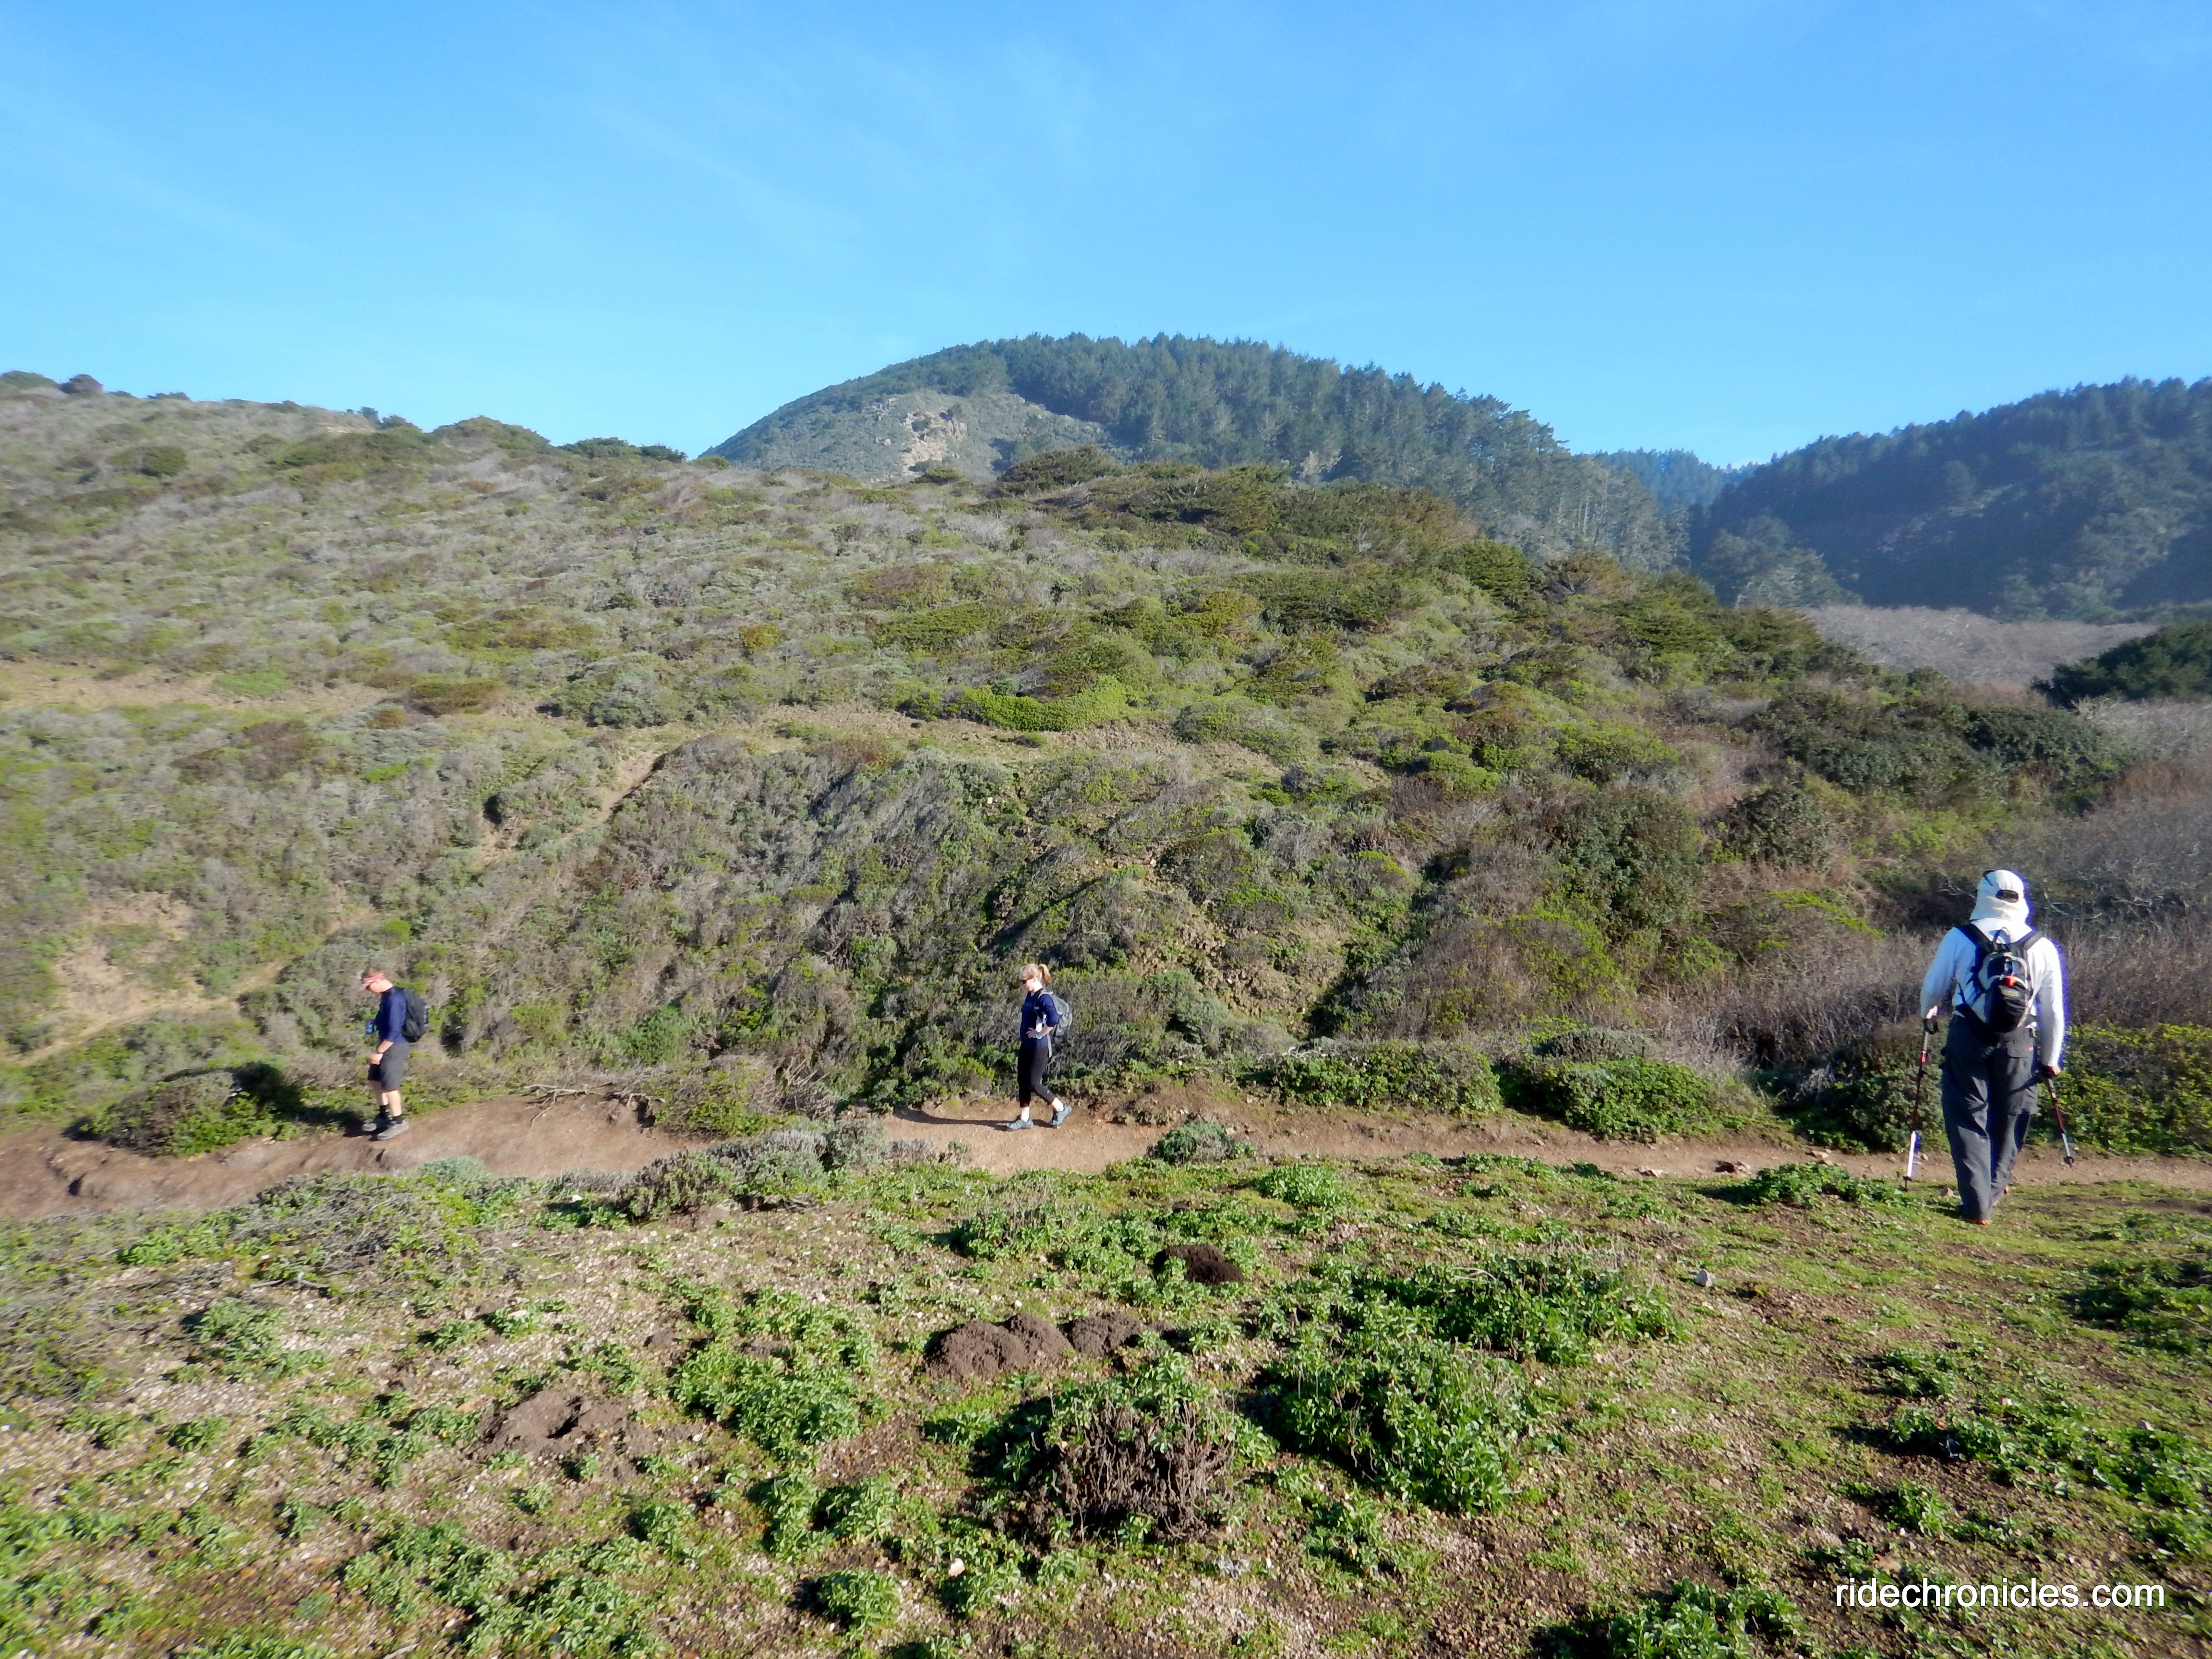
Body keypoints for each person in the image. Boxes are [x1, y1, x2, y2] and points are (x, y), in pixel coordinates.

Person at [1918, 869, 2066, 1225]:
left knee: (1967, 1116)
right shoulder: (2042, 945)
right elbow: (2053, 1010)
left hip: (1969, 1034)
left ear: (1983, 896)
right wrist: (2050, 1059)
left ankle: (1976, 1204)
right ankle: (1993, 1193)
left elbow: (1933, 987)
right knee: (2011, 1119)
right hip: (2020, 1042)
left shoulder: (1961, 936)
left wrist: (1928, 1012)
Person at [1006, 962, 1072, 1131]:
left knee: (1034, 1083)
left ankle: (1061, 1108)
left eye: (1024, 981)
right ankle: (1025, 1119)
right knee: (1023, 1081)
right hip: (1026, 1045)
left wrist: (1039, 1034)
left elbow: (1053, 1019)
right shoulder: (1030, 995)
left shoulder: (1044, 998)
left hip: (1039, 1047)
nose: (1022, 984)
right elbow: (1030, 1019)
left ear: (1035, 979)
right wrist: (1022, 1036)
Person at [361, 968, 414, 1140]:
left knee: (390, 1086)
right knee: (375, 1080)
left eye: (368, 987)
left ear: (377, 981)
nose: (368, 991)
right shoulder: (387, 996)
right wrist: (374, 1023)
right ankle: (383, 1116)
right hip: (385, 1044)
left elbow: (394, 1031)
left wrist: (379, 1052)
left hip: (394, 1046)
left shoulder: (395, 999)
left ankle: (399, 1122)